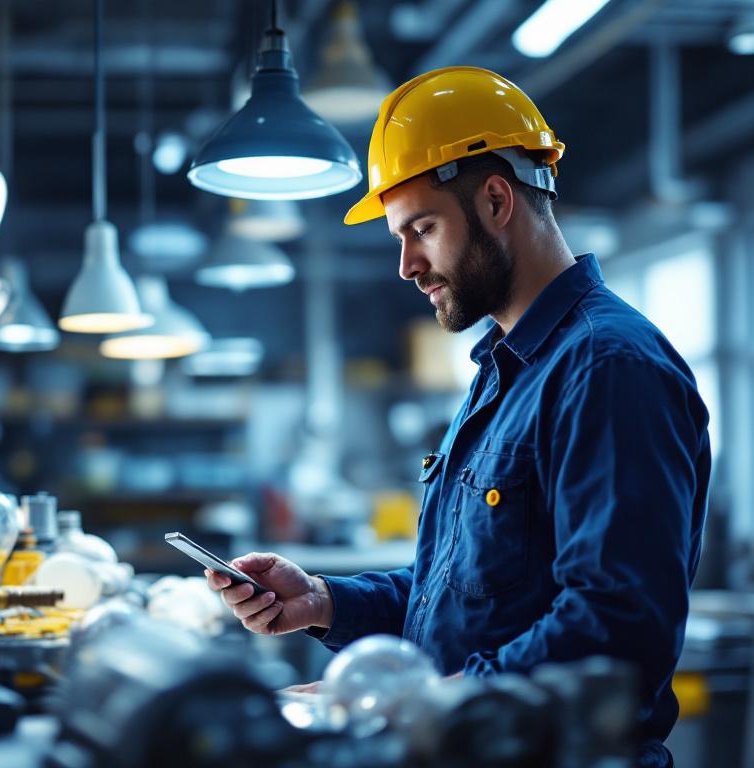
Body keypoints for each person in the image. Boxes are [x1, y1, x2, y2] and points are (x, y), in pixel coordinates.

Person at [205, 67, 710, 767]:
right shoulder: (506, 370)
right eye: (399, 237)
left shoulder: (606, 368)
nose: (407, 265)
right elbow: (471, 593)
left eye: (423, 229)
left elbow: (615, 626)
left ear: (497, 199)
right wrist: (324, 601)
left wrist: (421, 703)